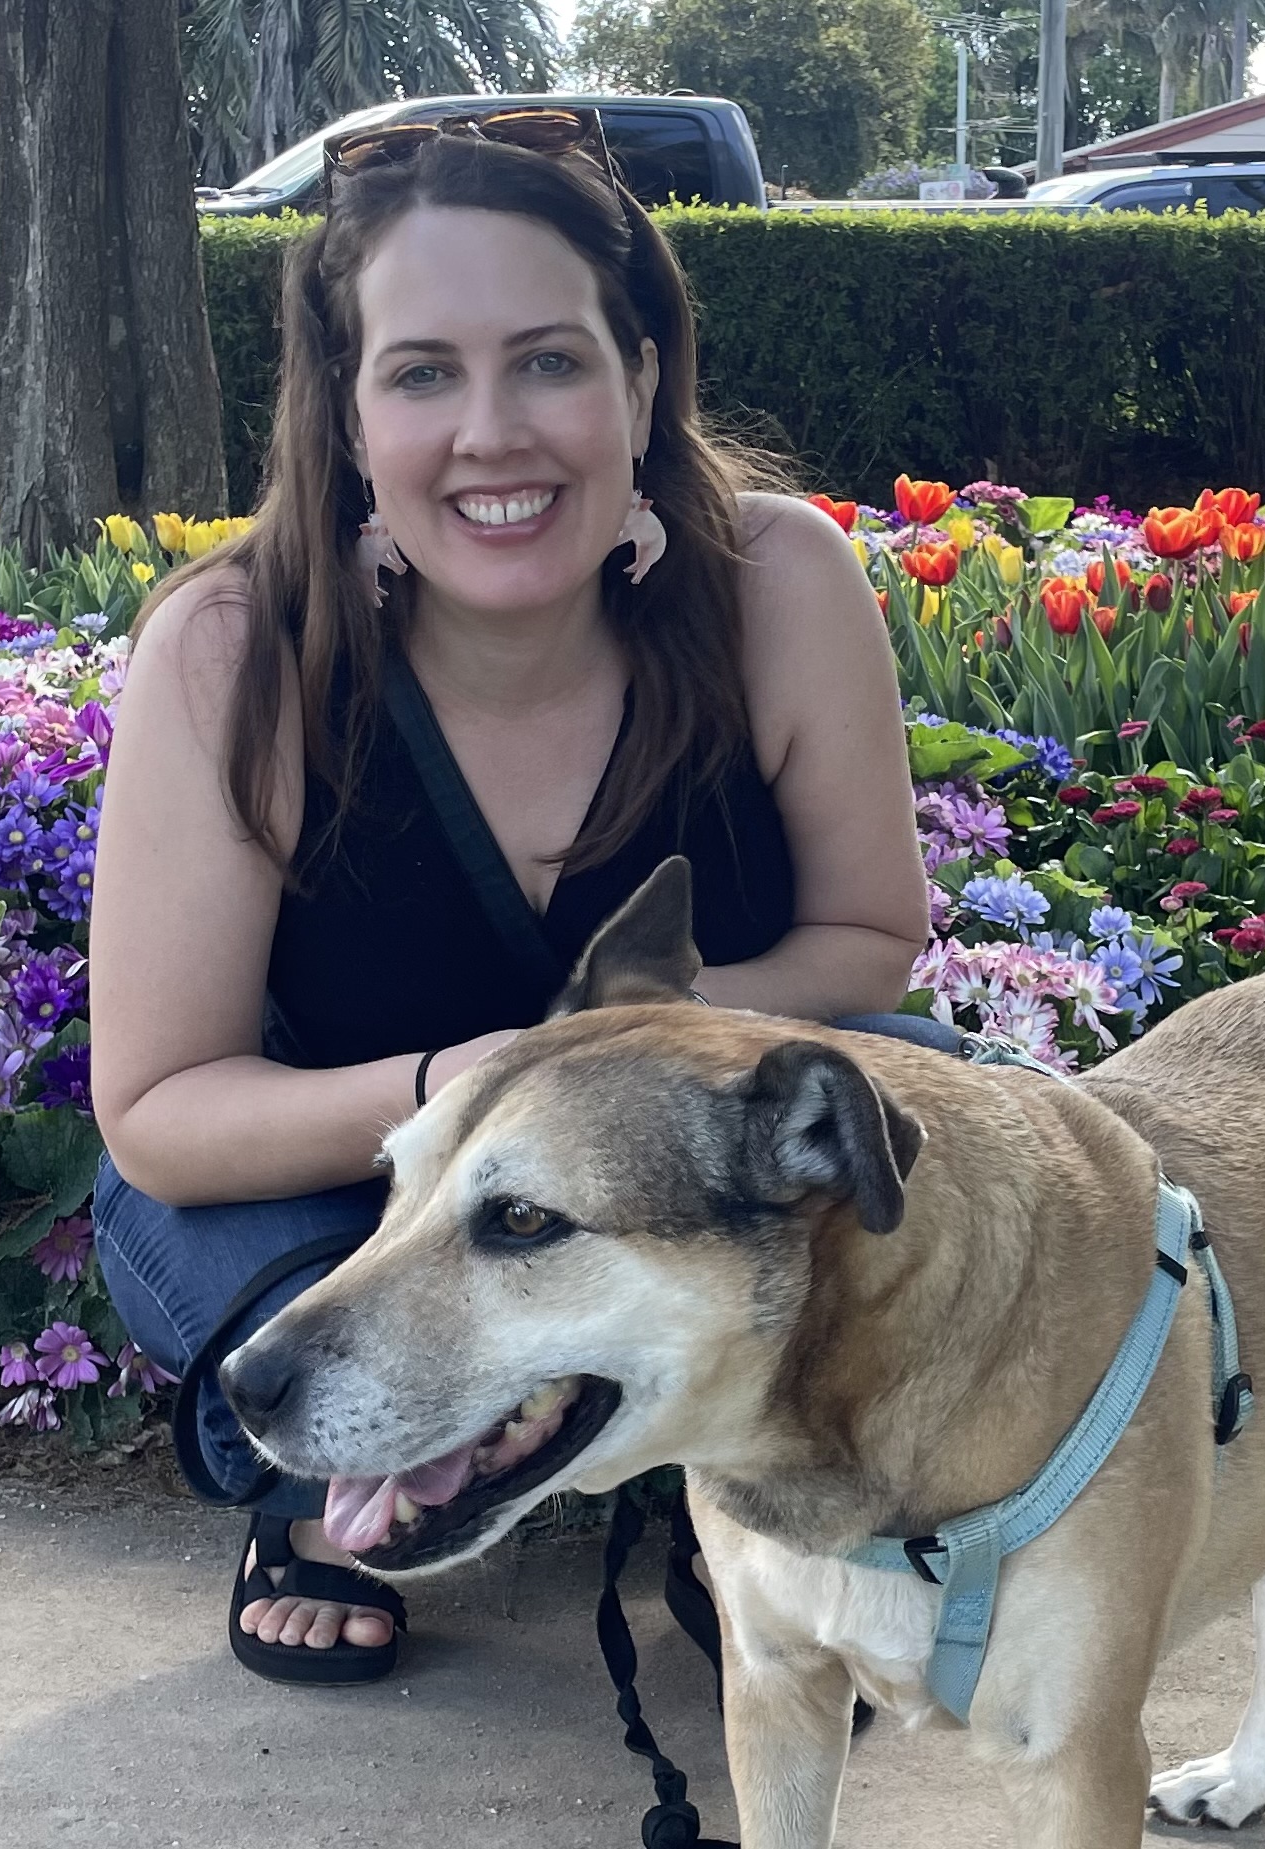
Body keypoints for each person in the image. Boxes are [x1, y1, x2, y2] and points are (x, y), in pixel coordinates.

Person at [88, 110, 939, 1686]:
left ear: (642, 380)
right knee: (278, 1274)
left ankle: (751, 1490)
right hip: (335, 1181)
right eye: (422, 374)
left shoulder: (778, 584)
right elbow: (159, 1112)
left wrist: (611, 1078)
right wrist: (480, 1087)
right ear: (350, 417)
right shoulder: (234, 651)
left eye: (549, 361)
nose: (492, 433)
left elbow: (871, 943)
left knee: (921, 1104)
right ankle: (333, 1487)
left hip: (666, 1159)